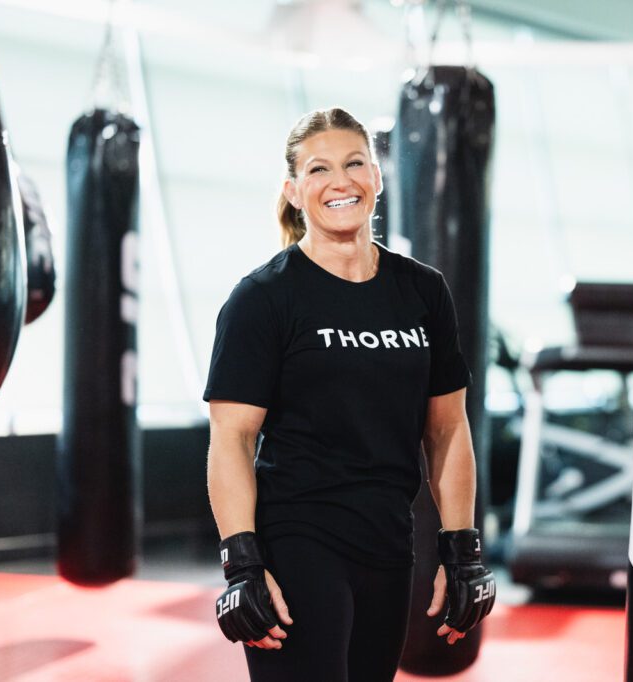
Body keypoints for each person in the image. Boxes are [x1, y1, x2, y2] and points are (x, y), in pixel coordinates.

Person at [203, 107, 495, 682]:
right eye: (318, 170)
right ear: (293, 191)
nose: (340, 181)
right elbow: (231, 438)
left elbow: (447, 430)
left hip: (390, 542)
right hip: (297, 538)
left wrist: (461, 552)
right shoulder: (264, 299)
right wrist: (242, 564)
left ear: (377, 176)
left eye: (354, 162)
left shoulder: (423, 291)